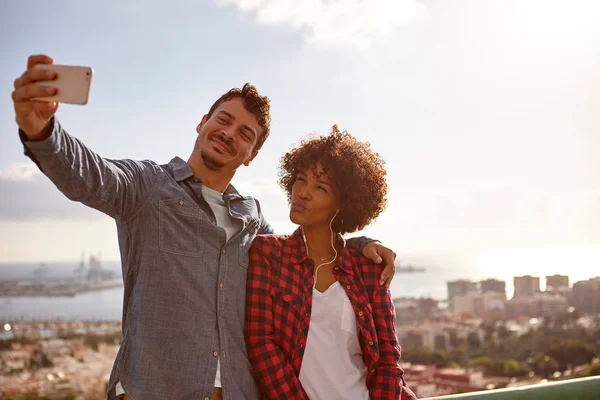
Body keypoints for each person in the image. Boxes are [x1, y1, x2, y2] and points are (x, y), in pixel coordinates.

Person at [11, 55, 399, 400]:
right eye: (224, 120)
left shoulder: (252, 220)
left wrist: (359, 244)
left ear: (252, 156)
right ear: (202, 123)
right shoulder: (146, 187)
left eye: (245, 134)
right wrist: (43, 132)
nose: (230, 134)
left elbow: (302, 249)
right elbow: (89, 174)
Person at [245, 126, 417, 400]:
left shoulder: (368, 268)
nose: (302, 192)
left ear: (343, 203)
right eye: (300, 179)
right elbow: (261, 343)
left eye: (320, 187)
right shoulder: (267, 253)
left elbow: (387, 360)